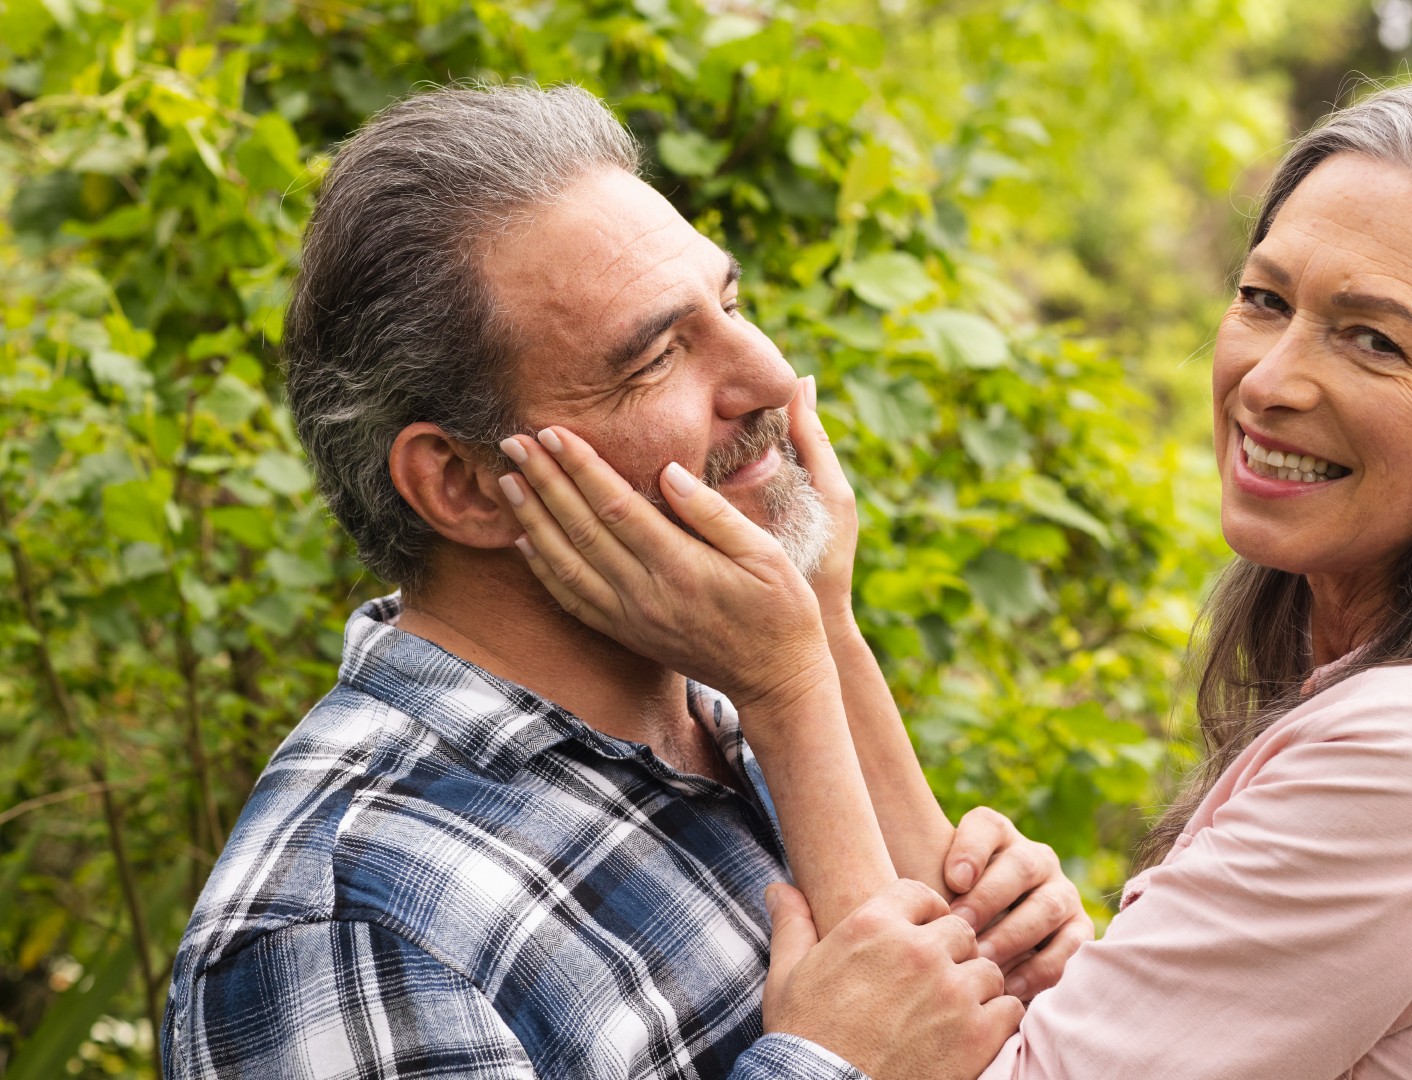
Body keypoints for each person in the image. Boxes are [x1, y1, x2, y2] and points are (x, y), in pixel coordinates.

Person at [505, 82, 1412, 1080]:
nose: (1270, 378)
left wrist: (786, 680)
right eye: (1266, 300)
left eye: (1373, 340)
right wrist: (835, 630)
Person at [162, 84, 1092, 1080]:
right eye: (654, 358)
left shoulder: (719, 701)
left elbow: (944, 1033)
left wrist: (1028, 987)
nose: (771, 376)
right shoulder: (341, 927)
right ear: (465, 484)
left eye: (730, 305)